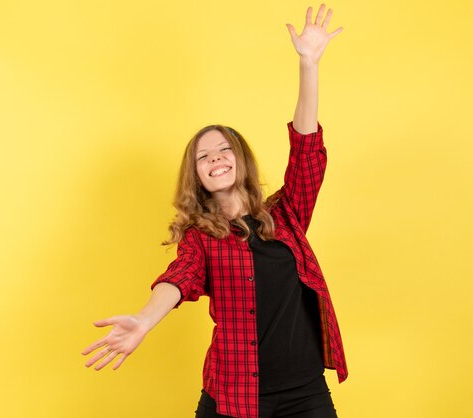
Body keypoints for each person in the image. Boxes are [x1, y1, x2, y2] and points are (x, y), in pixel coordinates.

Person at [81, 4, 347, 418]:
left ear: (241, 160)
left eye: (225, 149)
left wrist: (308, 65)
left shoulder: (288, 213)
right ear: (197, 176)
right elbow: (178, 279)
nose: (216, 158)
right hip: (234, 394)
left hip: (305, 393)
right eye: (204, 156)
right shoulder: (201, 237)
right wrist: (144, 320)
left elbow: (307, 150)